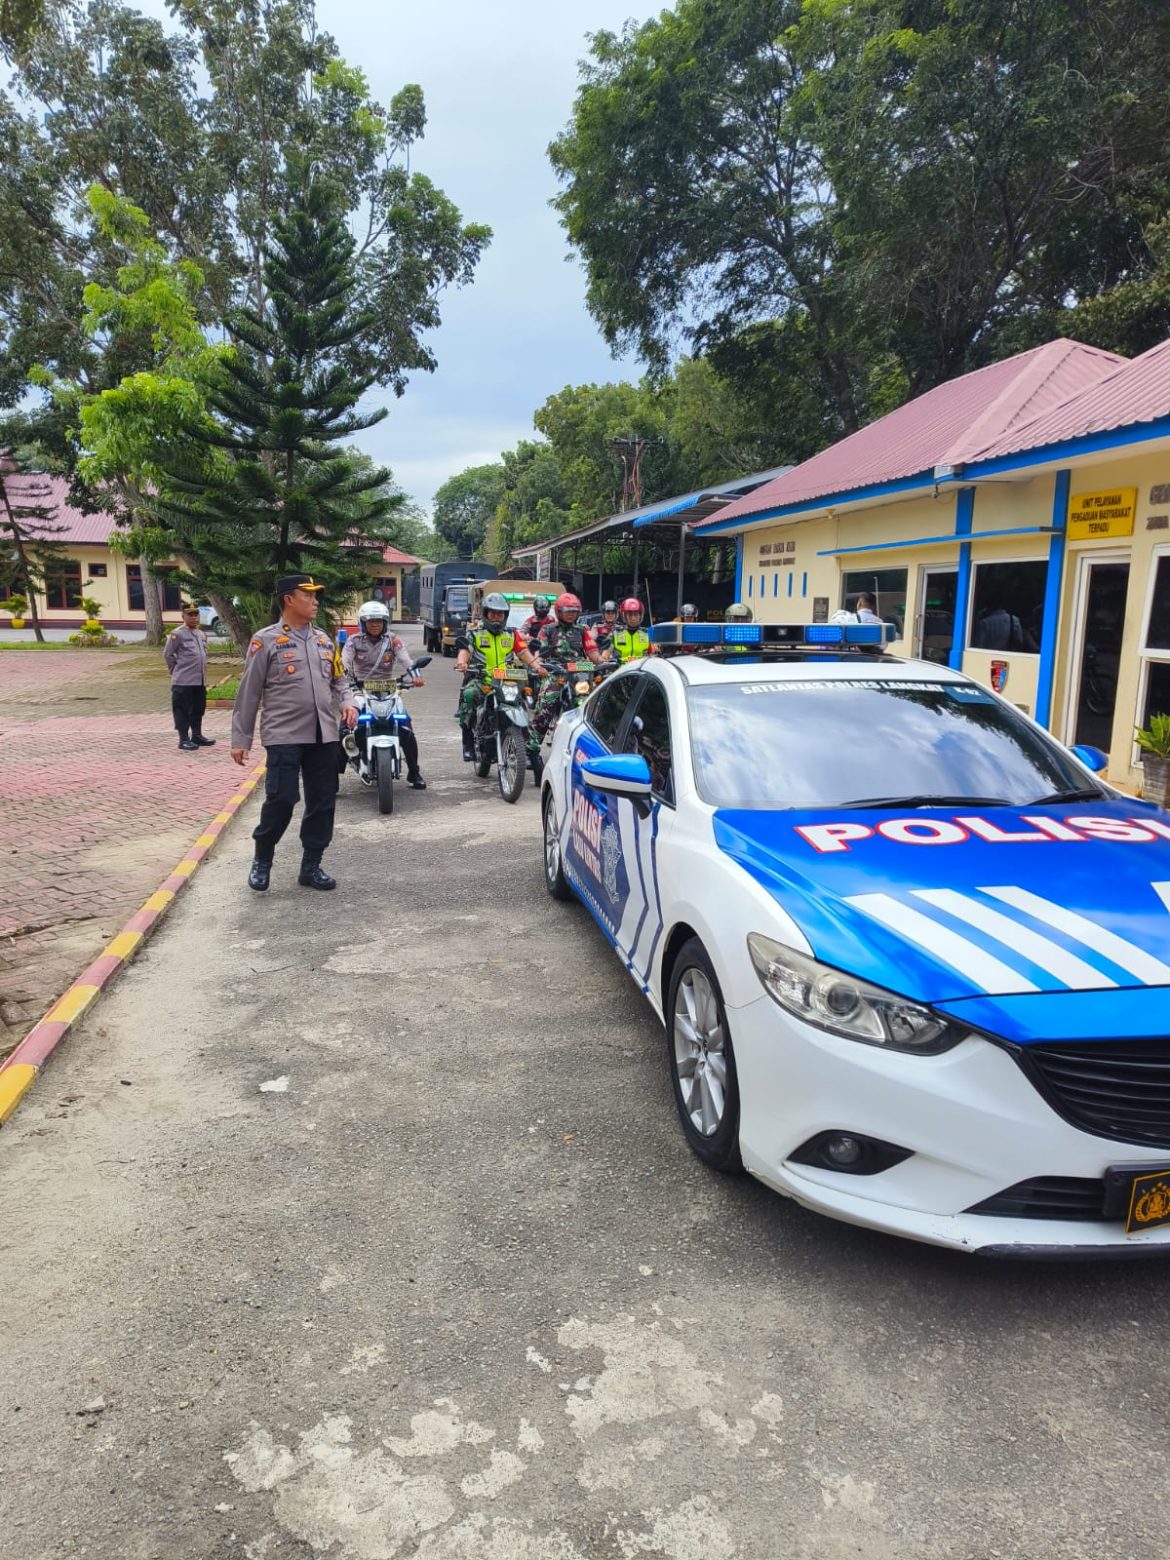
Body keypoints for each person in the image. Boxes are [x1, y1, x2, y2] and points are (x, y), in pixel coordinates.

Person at [230, 574, 358, 893]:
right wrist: (240, 739)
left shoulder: (325, 641)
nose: (315, 602)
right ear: (289, 599)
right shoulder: (266, 640)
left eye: (317, 596)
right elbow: (249, 692)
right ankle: (262, 858)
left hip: (323, 734)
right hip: (284, 734)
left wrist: (349, 702)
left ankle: (311, 866)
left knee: (322, 801)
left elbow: (339, 680)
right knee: (282, 799)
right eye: (309, 595)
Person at [342, 600, 426, 789]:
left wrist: (416, 676)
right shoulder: (353, 641)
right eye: (371, 622)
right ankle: (333, 775)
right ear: (363, 623)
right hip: (360, 690)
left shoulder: (392, 640)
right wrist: (341, 678)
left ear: (385, 623)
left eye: (379, 621)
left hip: (389, 690)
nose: (375, 625)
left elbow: (405, 659)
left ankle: (414, 772)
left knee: (406, 726)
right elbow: (344, 663)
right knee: (346, 726)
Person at [454, 591, 543, 761]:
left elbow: (524, 652)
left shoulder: (511, 634)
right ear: (485, 614)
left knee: (524, 700)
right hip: (483, 680)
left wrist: (537, 666)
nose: (496, 617)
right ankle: (467, 741)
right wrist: (462, 663)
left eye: (500, 614)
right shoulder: (475, 633)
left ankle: (531, 751)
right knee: (469, 694)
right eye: (493, 613)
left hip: (508, 680)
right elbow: (464, 650)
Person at [531, 592, 605, 740]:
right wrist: (539, 664)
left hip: (579, 674)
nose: (571, 615)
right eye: (568, 612)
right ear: (559, 612)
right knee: (546, 706)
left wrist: (602, 661)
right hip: (555, 673)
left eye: (574, 612)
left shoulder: (582, 630)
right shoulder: (548, 629)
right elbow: (539, 651)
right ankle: (532, 748)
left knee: (592, 705)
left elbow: (592, 652)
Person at [164, 603, 213, 750]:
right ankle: (183, 739)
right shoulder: (177, 634)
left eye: (196, 614)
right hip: (183, 680)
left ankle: (196, 736)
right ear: (183, 616)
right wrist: (176, 670)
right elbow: (168, 654)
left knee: (198, 708)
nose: (193, 617)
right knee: (182, 710)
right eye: (190, 614)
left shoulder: (201, 634)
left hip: (199, 680)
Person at [611, 596, 659, 663]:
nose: (633, 618)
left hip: (641, 671)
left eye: (636, 615)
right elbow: (604, 656)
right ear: (624, 616)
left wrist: (655, 650)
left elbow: (655, 653)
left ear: (640, 616)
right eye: (630, 615)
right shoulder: (615, 633)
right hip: (620, 671)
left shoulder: (648, 633)